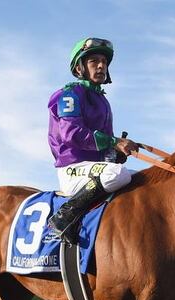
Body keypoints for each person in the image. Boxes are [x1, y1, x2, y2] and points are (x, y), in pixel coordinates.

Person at [45, 37, 139, 243]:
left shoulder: (102, 100)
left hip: (95, 169)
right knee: (119, 174)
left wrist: (116, 154)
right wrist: (114, 142)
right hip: (71, 169)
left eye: (104, 62)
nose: (101, 66)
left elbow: (102, 148)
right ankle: (64, 216)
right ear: (80, 68)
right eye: (93, 61)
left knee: (141, 178)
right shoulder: (69, 94)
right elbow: (72, 134)